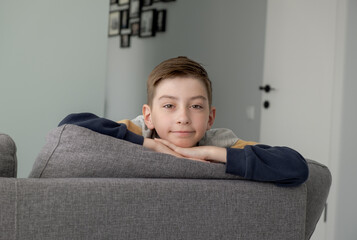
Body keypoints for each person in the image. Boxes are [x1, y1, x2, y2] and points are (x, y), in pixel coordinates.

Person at [59, 56, 309, 187]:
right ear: (149, 115)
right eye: (169, 105)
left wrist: (212, 152)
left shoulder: (222, 142)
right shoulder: (137, 129)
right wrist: (149, 145)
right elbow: (70, 125)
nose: (183, 117)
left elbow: (295, 167)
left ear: (210, 118)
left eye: (196, 106)